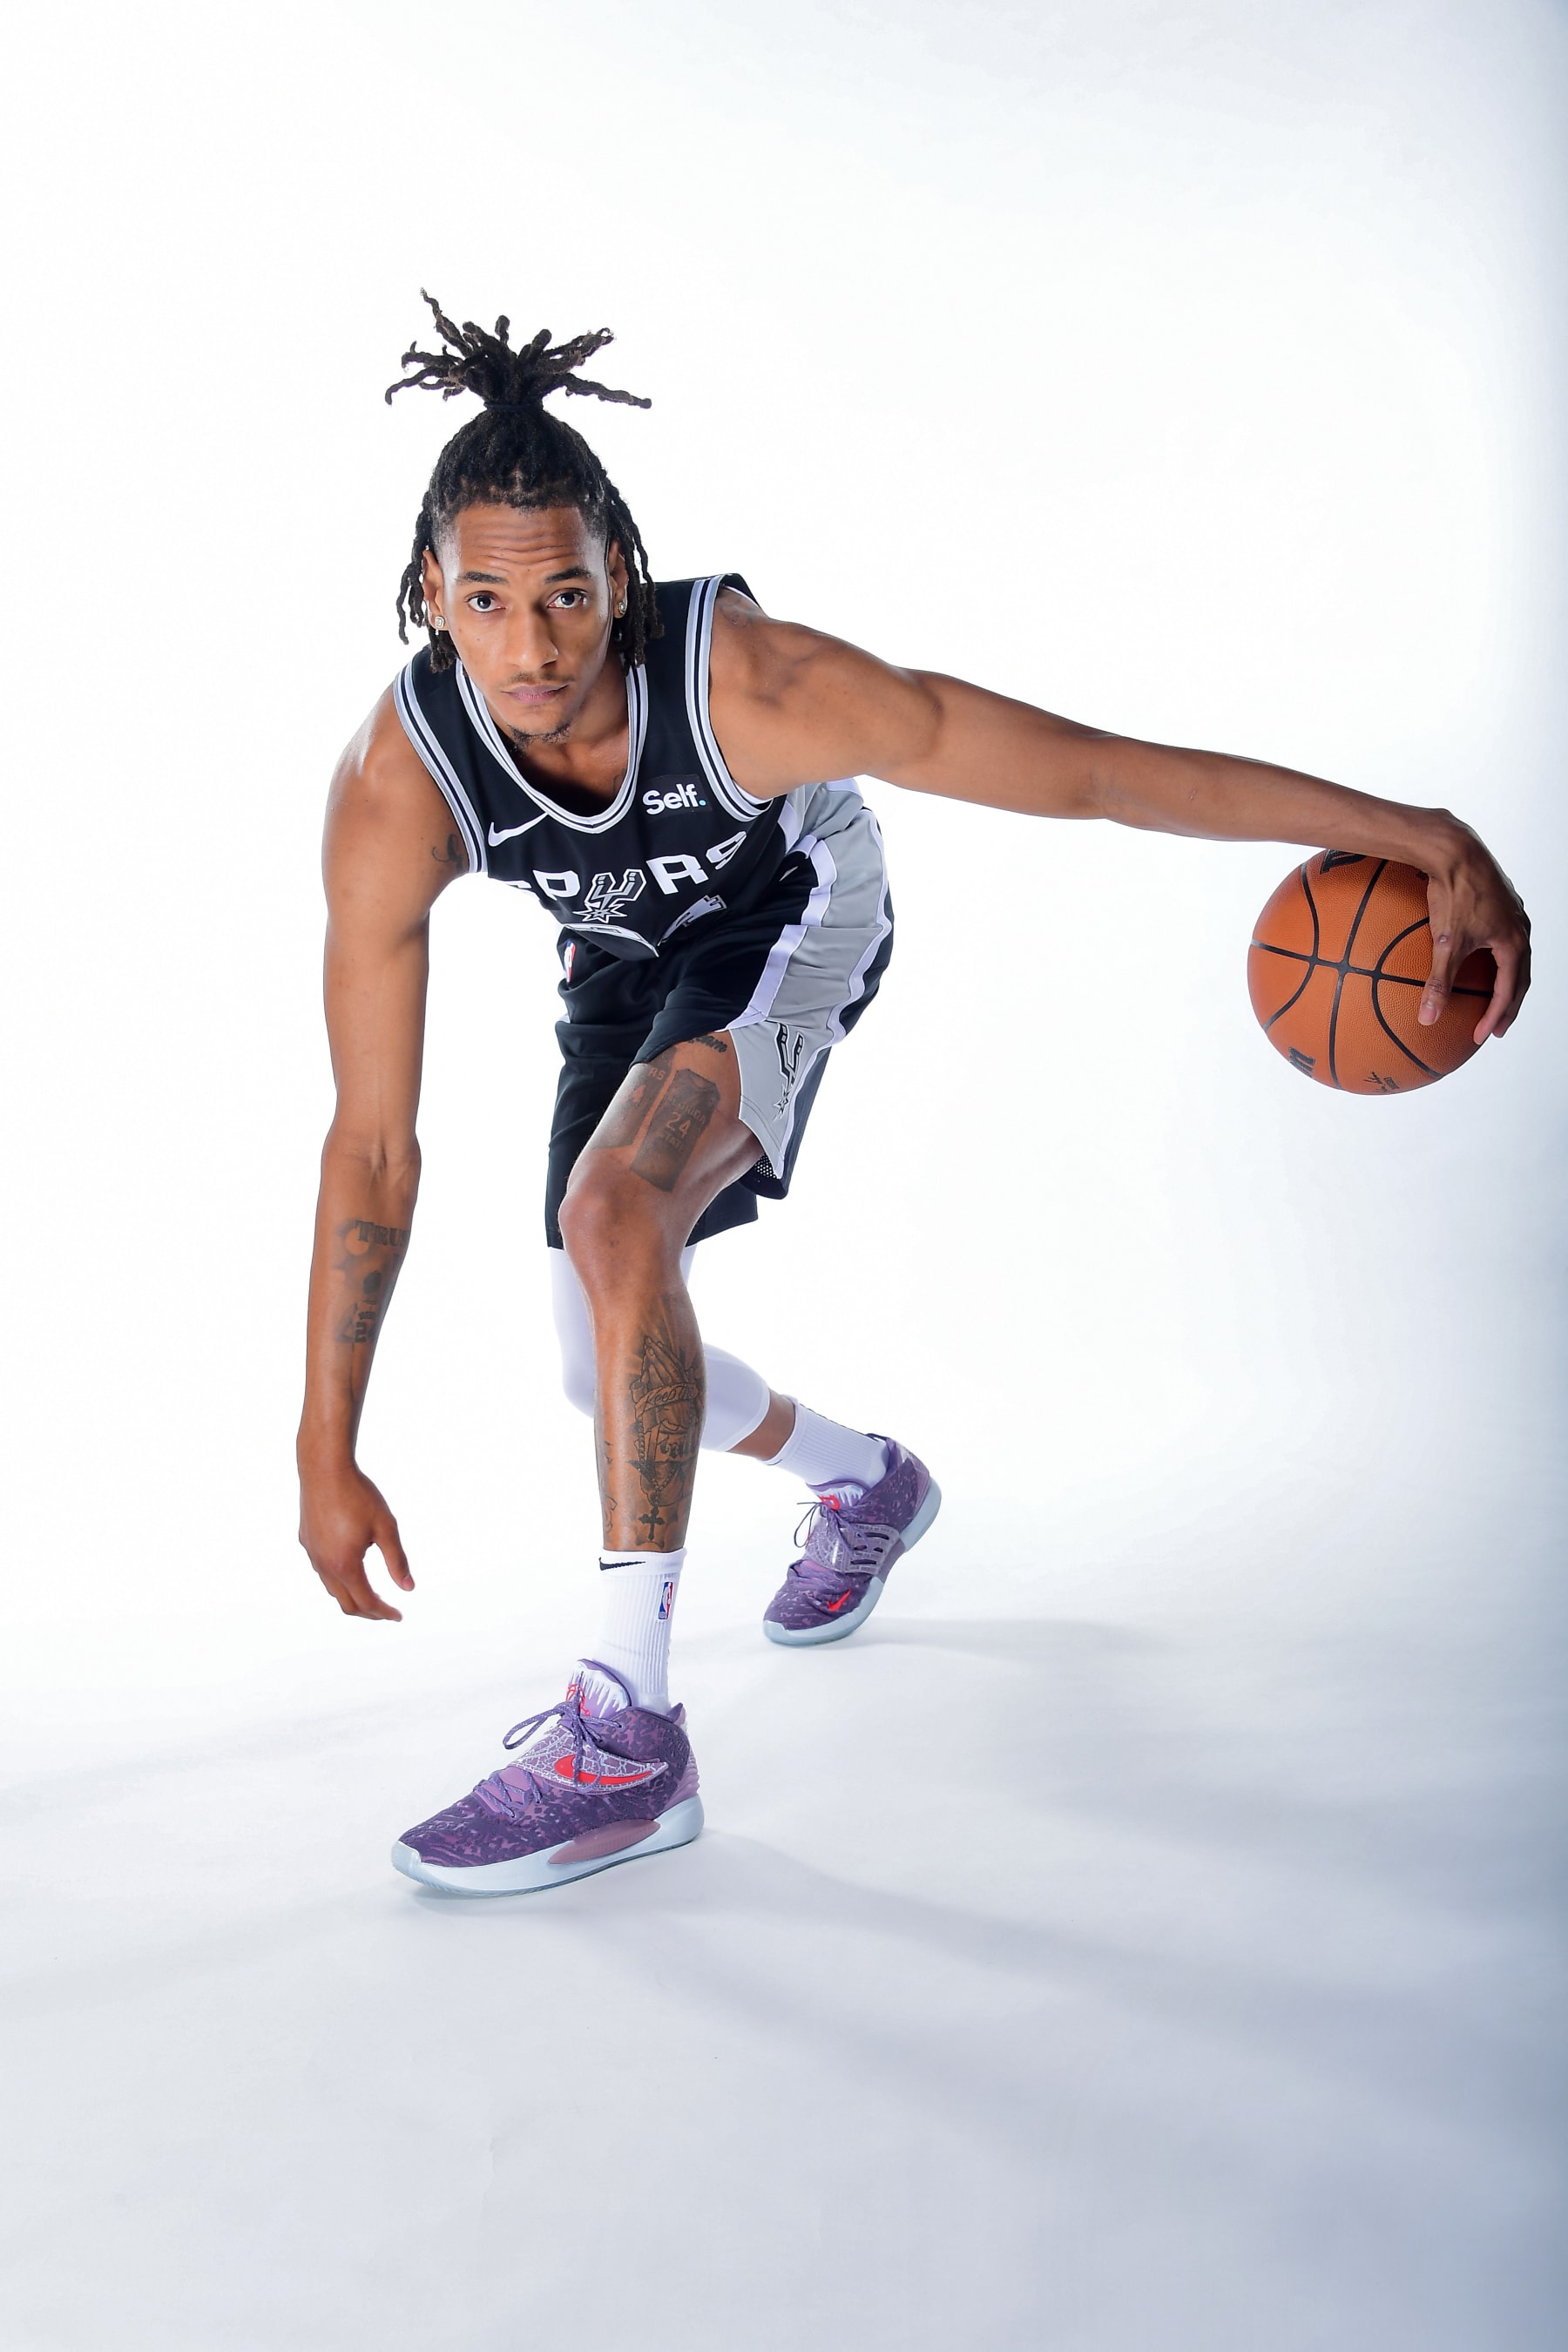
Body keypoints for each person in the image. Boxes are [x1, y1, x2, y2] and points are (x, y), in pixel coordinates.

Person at [297, 296, 1531, 1897]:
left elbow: (1076, 769)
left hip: (789, 909)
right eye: (486, 601)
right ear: (427, 597)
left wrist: (1419, 831)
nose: (532, 647)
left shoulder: (747, 683)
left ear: (622, 570)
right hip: (627, 959)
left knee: (617, 1220)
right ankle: (864, 1484)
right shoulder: (401, 780)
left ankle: (626, 1738)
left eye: (568, 596)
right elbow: (373, 1138)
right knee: (603, 1374)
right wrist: (327, 1445)